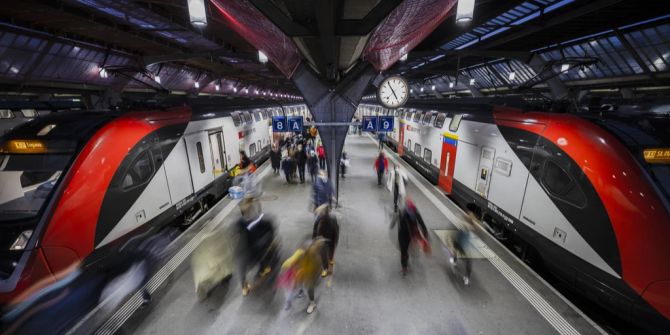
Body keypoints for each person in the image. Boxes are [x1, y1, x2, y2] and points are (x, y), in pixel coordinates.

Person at [235, 198, 278, 296]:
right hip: (252, 248)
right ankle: (263, 270)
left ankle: (244, 287)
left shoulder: (240, 222)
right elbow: (268, 231)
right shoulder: (259, 220)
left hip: (244, 250)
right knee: (260, 257)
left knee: (244, 267)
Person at [391, 198, 429, 276]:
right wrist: (393, 223)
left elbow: (421, 223)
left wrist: (425, 234)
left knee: (405, 250)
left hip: (407, 234)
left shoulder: (411, 212)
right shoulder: (406, 212)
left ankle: (405, 262)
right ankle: (404, 265)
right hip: (406, 234)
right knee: (404, 250)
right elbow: (422, 224)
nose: (412, 212)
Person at [446, 210, 477, 285]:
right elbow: (449, 235)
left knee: (469, 261)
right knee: (455, 252)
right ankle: (454, 260)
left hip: (465, 245)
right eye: (470, 215)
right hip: (456, 242)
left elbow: (474, 227)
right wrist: (451, 246)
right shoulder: (458, 222)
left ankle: (467, 277)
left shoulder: (471, 224)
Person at [312, 204, 339, 277]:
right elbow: (315, 230)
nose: (321, 214)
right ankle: (325, 269)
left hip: (331, 239)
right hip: (322, 240)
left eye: (323, 212)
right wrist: (314, 240)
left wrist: (336, 240)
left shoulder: (332, 219)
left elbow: (336, 230)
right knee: (322, 254)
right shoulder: (318, 219)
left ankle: (330, 260)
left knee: (331, 252)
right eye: (321, 213)